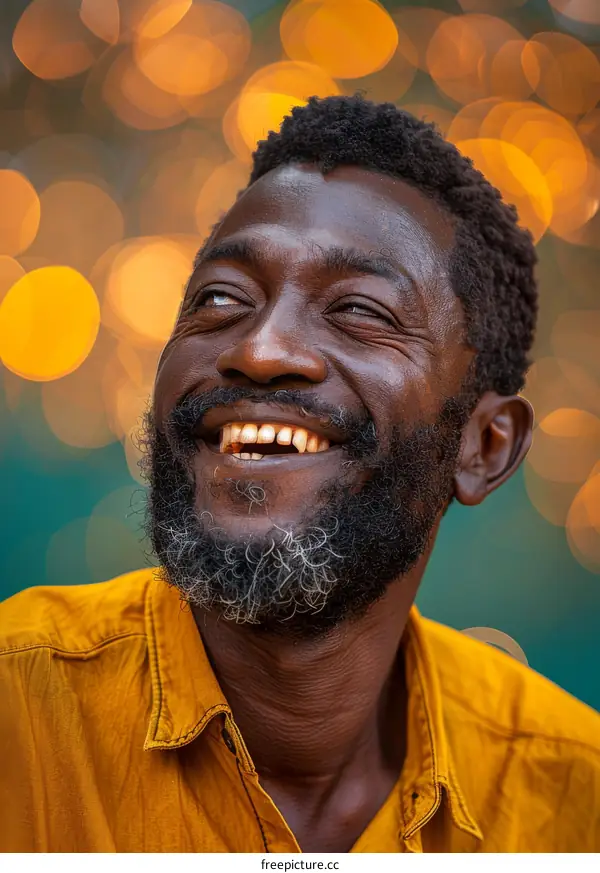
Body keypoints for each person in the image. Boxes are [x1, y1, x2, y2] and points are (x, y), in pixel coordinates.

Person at [1, 95, 599, 854]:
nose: (260, 347)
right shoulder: (16, 713)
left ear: (484, 446)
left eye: (359, 310)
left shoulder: (573, 798)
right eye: (221, 298)